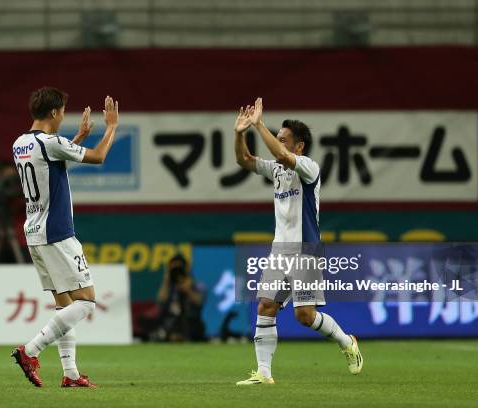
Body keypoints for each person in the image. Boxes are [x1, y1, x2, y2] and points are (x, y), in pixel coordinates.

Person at [233, 98, 363, 385]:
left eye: (284, 138)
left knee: (304, 315)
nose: (279, 141)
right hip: (280, 249)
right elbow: (244, 160)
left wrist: (260, 125)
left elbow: (281, 155)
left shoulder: (308, 167)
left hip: (306, 250)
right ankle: (264, 374)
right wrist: (240, 133)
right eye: (277, 137)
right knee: (265, 305)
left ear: (299, 146)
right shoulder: (278, 171)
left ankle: (346, 341)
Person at [10, 87, 119, 388]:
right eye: (63, 113)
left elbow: (50, 163)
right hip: (57, 232)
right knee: (86, 302)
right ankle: (30, 351)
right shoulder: (50, 142)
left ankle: (70, 374)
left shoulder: (20, 143)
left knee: (64, 304)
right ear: (55, 113)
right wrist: (111, 127)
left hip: (34, 232)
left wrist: (78, 139)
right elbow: (98, 157)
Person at [148, 254, 205, 342]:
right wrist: (167, 278)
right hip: (170, 325)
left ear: (186, 268)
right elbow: (160, 301)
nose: (177, 271)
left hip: (191, 324)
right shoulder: (169, 287)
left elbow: (199, 301)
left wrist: (188, 289)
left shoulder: (196, 285)